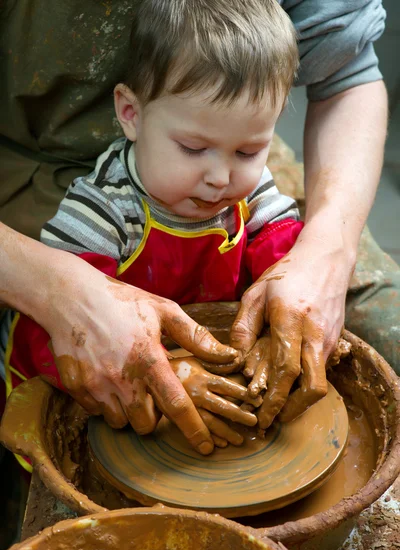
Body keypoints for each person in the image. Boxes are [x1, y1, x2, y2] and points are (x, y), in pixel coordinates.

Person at [0, 1, 395, 452]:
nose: (220, 179)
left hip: (205, 339)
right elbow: (47, 337)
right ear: (130, 113)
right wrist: (162, 375)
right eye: (192, 149)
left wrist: (308, 274)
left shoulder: (241, 179)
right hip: (103, 364)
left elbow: (279, 245)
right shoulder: (102, 210)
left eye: (249, 153)